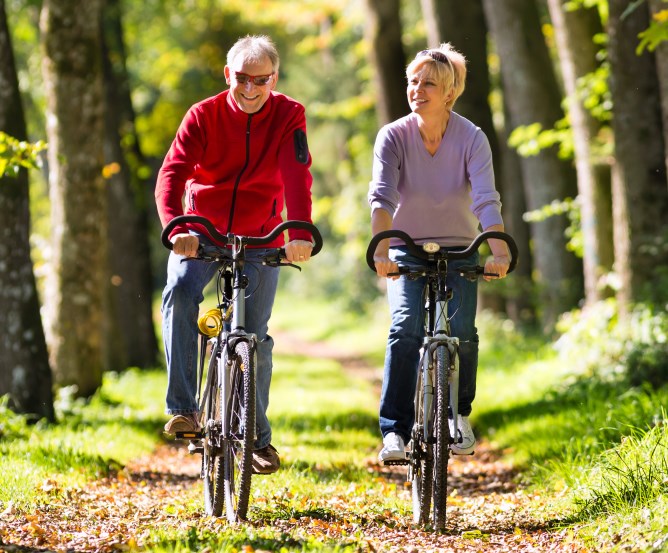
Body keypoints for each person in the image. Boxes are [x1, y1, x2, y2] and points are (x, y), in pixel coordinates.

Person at [156, 35, 315, 475]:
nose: (249, 89)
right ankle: (184, 408)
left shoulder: (288, 114)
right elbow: (172, 174)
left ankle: (257, 437)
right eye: (241, 78)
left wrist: (298, 231)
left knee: (256, 338)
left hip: (262, 234)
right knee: (181, 291)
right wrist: (177, 226)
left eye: (260, 80)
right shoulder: (202, 115)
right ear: (228, 75)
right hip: (200, 231)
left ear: (274, 78)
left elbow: (296, 174)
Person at [368, 43, 511, 462]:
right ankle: (394, 431)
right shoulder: (393, 135)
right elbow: (381, 198)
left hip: (461, 247)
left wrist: (498, 250)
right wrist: (381, 247)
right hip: (407, 250)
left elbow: (486, 200)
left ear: (449, 93)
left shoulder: (472, 138)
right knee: (405, 327)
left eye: (428, 83)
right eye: (413, 81)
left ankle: (458, 415)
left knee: (463, 331)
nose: (417, 89)